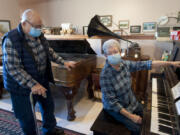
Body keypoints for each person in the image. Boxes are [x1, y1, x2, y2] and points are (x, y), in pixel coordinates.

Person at [2, 9, 76, 135]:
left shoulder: (39, 35)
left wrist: (63, 62)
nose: (39, 29)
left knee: (48, 107)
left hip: (41, 79)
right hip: (20, 86)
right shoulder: (11, 39)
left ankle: (49, 131)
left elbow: (49, 51)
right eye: (37, 26)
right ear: (24, 23)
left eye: (41, 26)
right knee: (26, 117)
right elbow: (14, 68)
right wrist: (32, 84)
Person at [100, 39, 180, 135]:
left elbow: (147, 64)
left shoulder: (124, 64)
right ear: (105, 56)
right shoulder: (105, 75)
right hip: (116, 108)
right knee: (139, 130)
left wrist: (171, 63)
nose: (113, 55)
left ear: (120, 52)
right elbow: (113, 103)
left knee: (149, 116)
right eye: (109, 53)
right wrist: (131, 116)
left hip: (130, 102)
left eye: (115, 52)